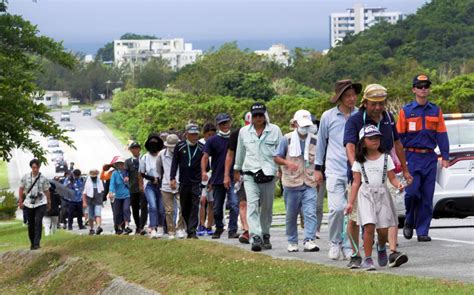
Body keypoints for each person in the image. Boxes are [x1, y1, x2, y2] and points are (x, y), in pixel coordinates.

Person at [343, 83, 411, 268]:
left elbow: (397, 144)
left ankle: (391, 251)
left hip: (385, 172)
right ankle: (356, 254)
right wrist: (356, 166)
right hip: (362, 176)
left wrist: (404, 170)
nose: (378, 107)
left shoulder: (388, 117)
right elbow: (349, 145)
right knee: (356, 218)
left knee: (388, 216)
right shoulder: (355, 120)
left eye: (381, 103)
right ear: (365, 103)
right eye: (374, 104)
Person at [397, 74, 449, 242]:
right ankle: (409, 219)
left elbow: (442, 135)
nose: (423, 89)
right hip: (411, 157)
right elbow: (399, 138)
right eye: (420, 86)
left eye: (426, 86)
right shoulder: (406, 111)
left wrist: (445, 156)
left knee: (427, 197)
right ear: (414, 89)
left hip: (429, 158)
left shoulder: (436, 110)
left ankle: (423, 231)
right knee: (412, 193)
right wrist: (400, 160)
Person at [315, 80, 360, 260]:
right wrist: (318, 168)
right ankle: (334, 242)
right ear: (340, 98)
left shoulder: (360, 115)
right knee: (336, 208)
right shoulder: (328, 116)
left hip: (355, 170)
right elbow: (321, 143)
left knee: (352, 211)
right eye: (348, 96)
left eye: (354, 95)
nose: (352, 99)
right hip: (334, 169)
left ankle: (349, 245)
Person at [234, 102, 283, 251]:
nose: (259, 118)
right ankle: (255, 236)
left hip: (268, 174)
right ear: (251, 117)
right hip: (250, 173)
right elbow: (240, 152)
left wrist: (281, 170)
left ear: (265, 115)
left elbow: (281, 151)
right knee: (252, 205)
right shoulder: (244, 131)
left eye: (261, 115)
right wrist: (237, 169)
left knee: (267, 207)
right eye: (256, 115)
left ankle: (265, 234)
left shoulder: (275, 130)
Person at [274, 110, 320, 252]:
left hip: (309, 182)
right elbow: (276, 157)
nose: (305, 128)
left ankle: (309, 240)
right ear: (295, 123)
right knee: (291, 215)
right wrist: (288, 163)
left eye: (307, 125)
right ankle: (292, 241)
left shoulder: (315, 140)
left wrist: (319, 173)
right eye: (302, 125)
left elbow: (319, 159)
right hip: (291, 183)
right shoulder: (286, 139)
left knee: (310, 212)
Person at [202, 113, 240, 239]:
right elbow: (205, 157)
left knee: (234, 203)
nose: (225, 126)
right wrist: (203, 171)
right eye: (222, 124)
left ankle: (232, 229)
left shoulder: (236, 137)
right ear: (218, 125)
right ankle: (218, 227)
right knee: (217, 207)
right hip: (218, 177)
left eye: (226, 123)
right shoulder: (212, 140)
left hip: (233, 176)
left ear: (230, 123)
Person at [170, 123, 205, 239]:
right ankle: (188, 226)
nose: (195, 137)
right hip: (184, 182)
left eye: (196, 134)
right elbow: (174, 163)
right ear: (186, 135)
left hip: (196, 182)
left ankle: (192, 231)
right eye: (192, 134)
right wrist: (172, 178)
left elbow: (206, 164)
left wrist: (204, 173)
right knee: (184, 207)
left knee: (195, 206)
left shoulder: (201, 147)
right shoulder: (179, 146)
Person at [224, 112, 252, 244]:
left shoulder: (266, 132)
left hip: (259, 173)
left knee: (257, 204)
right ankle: (247, 230)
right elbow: (230, 155)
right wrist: (227, 174)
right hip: (241, 172)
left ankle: (258, 230)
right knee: (242, 202)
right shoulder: (237, 134)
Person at [157, 134, 187, 240]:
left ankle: (180, 229)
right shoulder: (161, 154)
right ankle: (171, 231)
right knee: (169, 210)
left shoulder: (183, 153)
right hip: (166, 185)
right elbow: (158, 169)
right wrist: (163, 179)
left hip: (181, 183)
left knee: (181, 207)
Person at [18, 159, 51, 250]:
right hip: (29, 203)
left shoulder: (43, 178)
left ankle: (37, 242)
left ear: (39, 167)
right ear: (31, 168)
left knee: (38, 221)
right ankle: (32, 243)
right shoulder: (25, 177)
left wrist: (49, 202)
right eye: (33, 167)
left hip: (40, 202)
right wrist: (20, 201)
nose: (35, 169)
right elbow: (21, 188)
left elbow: (46, 191)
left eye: (36, 167)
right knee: (31, 223)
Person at [140, 133, 165, 239]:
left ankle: (160, 226)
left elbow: (165, 170)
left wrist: (160, 179)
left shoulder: (162, 156)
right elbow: (141, 173)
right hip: (149, 185)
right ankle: (153, 228)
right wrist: (150, 179)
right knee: (153, 206)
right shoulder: (145, 157)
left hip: (161, 184)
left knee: (161, 208)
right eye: (151, 143)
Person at [197, 123, 217, 236]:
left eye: (213, 134)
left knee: (211, 202)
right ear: (204, 134)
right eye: (209, 134)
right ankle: (201, 224)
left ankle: (209, 225)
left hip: (213, 175)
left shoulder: (216, 143)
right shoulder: (200, 145)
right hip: (203, 175)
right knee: (202, 200)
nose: (211, 137)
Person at [125, 141, 147, 234]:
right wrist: (125, 176)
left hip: (143, 187)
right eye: (133, 148)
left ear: (139, 149)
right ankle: (138, 226)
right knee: (134, 208)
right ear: (130, 150)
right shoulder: (128, 161)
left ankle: (142, 226)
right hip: (133, 187)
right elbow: (125, 171)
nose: (135, 150)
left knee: (144, 207)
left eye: (137, 148)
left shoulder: (144, 159)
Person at [109, 156, 133, 235]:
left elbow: (132, 183)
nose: (121, 165)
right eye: (119, 164)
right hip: (118, 196)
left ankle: (126, 226)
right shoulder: (114, 174)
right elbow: (112, 184)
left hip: (127, 194)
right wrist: (111, 192)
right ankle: (119, 227)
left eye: (122, 164)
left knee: (126, 209)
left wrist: (128, 181)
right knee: (117, 212)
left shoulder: (128, 173)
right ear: (117, 165)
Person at [82, 169, 105, 235]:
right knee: (90, 216)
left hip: (98, 200)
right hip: (89, 201)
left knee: (98, 214)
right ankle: (91, 229)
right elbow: (84, 192)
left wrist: (102, 200)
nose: (94, 178)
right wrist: (84, 202)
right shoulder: (87, 181)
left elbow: (102, 191)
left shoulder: (100, 180)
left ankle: (98, 227)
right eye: (92, 177)